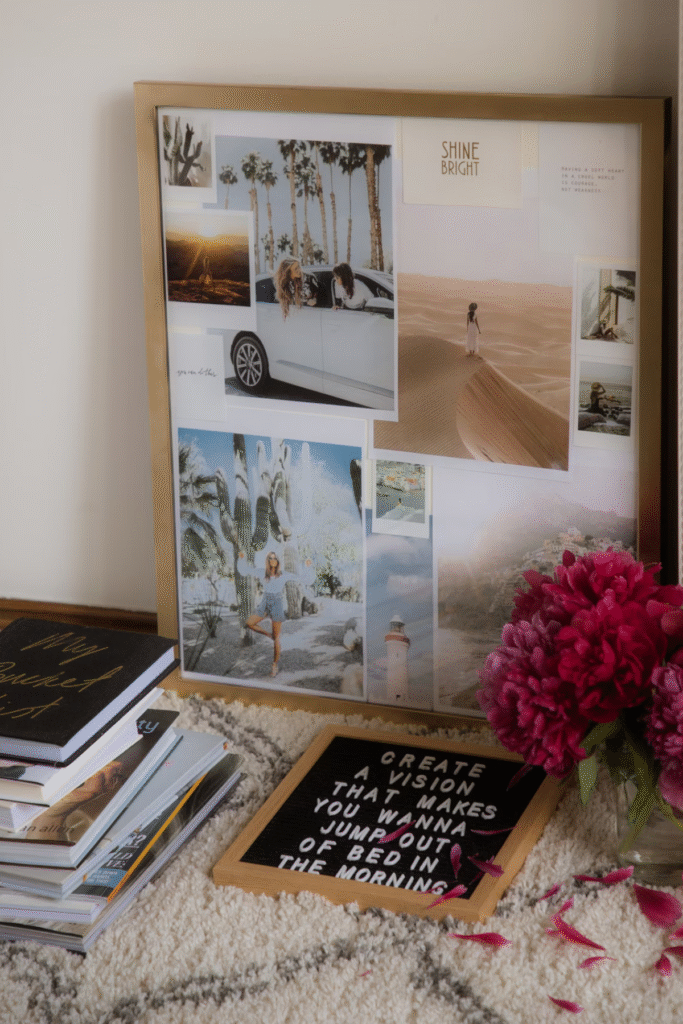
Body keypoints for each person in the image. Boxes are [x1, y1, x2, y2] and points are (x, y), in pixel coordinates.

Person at [243, 552, 306, 677]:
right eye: (270, 558)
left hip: (277, 603)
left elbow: (299, 577)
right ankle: (269, 634)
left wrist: (308, 567)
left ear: (277, 561)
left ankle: (274, 665)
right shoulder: (262, 572)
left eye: (275, 558)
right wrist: (241, 559)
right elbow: (247, 570)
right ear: (267, 560)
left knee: (277, 639)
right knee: (250, 623)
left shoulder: (283, 574)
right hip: (265, 601)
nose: (272, 560)